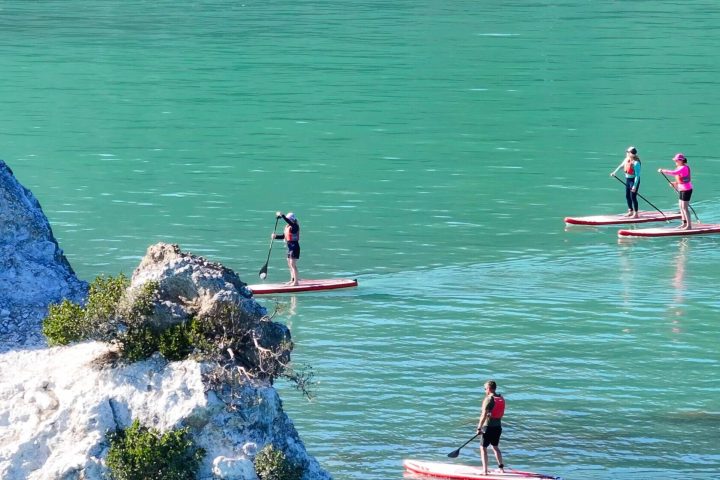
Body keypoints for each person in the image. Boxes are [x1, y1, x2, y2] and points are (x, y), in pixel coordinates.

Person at [477, 380, 505, 474]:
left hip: (488, 427)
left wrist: (479, 428)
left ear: (488, 389)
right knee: (495, 447)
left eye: (485, 389)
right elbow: (500, 413)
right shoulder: (501, 398)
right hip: (498, 427)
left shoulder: (489, 399)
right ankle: (501, 469)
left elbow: (483, 414)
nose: (485, 391)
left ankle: (484, 471)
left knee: (483, 448)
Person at [659, 153, 693, 230]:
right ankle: (684, 224)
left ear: (681, 161)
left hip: (687, 189)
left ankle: (689, 226)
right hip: (681, 189)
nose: (675, 161)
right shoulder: (679, 167)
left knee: (685, 208)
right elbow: (680, 179)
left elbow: (674, 173)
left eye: (676, 160)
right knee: (681, 207)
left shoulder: (684, 168)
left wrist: (662, 170)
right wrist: (675, 183)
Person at [610, 146, 642, 218]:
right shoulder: (627, 159)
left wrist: (634, 186)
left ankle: (636, 213)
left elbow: (637, 176)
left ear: (632, 154)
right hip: (628, 180)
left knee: (633, 197)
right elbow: (621, 166)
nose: (626, 153)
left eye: (628, 152)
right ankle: (630, 211)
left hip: (634, 181)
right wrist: (614, 172)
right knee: (627, 196)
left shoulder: (636, 163)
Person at [272, 211, 300, 285]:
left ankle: (296, 282)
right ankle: (292, 279)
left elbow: (288, 221)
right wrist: (275, 237)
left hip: (295, 247)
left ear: (292, 219)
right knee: (289, 264)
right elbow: (284, 236)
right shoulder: (288, 227)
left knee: (293, 264)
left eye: (289, 219)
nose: (288, 221)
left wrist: (282, 215)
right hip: (289, 248)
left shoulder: (295, 226)